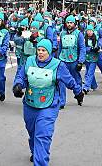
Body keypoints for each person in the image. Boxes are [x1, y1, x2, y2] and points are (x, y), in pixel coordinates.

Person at [13, 38, 84, 166]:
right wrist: (18, 85)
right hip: (30, 103)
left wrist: (78, 92)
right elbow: (21, 76)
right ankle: (36, 152)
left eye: (43, 50)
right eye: (38, 50)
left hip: (49, 105)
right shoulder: (29, 61)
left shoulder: (58, 65)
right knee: (32, 131)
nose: (40, 53)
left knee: (43, 135)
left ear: (49, 52)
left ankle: (40, 162)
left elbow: (70, 80)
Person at [58, 15, 85, 108]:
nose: (69, 24)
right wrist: (58, 59)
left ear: (74, 24)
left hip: (74, 60)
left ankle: (79, 95)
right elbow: (60, 47)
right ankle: (61, 102)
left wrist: (81, 61)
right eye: (68, 22)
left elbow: (82, 48)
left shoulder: (79, 34)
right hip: (63, 59)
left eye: (71, 23)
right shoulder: (62, 33)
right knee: (61, 80)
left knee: (76, 80)